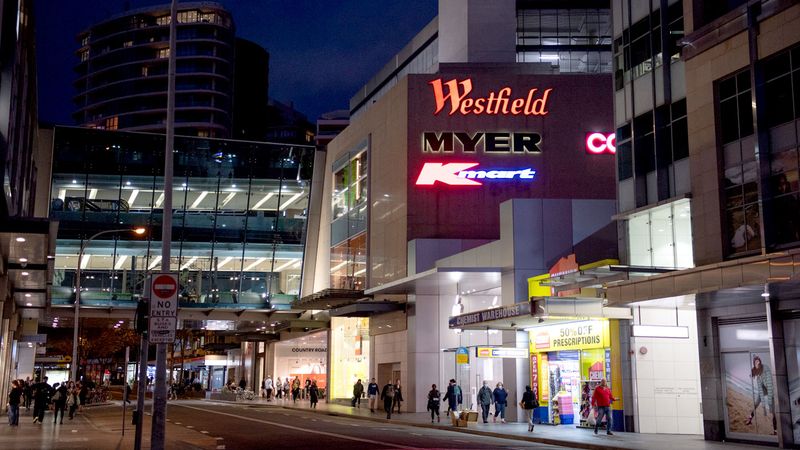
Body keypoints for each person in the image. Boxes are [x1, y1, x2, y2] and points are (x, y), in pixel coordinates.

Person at [746, 356, 776, 434]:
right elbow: (751, 375)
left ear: (760, 361)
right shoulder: (754, 369)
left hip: (770, 388)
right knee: (756, 404)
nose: (757, 363)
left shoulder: (765, 368)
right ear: (754, 363)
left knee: (774, 411)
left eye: (758, 361)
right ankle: (750, 418)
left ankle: (775, 431)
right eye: (756, 362)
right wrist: (752, 375)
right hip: (763, 389)